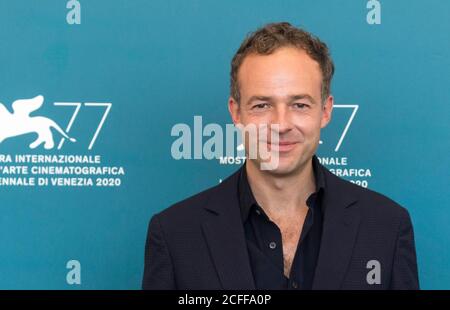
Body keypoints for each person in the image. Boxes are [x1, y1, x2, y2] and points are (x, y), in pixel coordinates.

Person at [142, 22, 419, 290]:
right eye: (262, 105)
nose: (282, 124)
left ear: (325, 110)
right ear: (236, 112)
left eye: (299, 104)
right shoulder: (175, 235)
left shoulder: (386, 228)